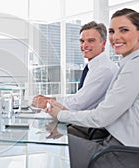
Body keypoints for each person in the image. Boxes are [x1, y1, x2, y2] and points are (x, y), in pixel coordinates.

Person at [46, 8, 139, 168]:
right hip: (111, 138)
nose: (115, 37)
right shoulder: (127, 64)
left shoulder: (133, 68)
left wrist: (61, 114)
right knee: (57, 138)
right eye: (112, 31)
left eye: (124, 30)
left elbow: (100, 116)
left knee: (55, 147)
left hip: (120, 150)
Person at [33, 21, 119, 139]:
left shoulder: (104, 69)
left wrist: (50, 102)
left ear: (103, 43)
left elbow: (79, 103)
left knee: (45, 133)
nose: (84, 45)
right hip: (87, 125)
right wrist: (52, 100)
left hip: (96, 132)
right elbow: (80, 97)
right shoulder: (94, 66)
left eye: (91, 41)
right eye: (82, 41)